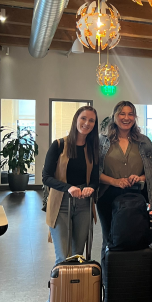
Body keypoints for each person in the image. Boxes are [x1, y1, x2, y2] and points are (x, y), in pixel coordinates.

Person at [97, 101, 152, 264]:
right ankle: (109, 281)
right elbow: (93, 172)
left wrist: (140, 178)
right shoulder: (101, 141)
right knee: (110, 240)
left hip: (137, 196)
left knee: (136, 239)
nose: (126, 118)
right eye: (122, 114)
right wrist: (114, 181)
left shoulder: (144, 142)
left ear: (135, 117)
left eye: (130, 114)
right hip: (107, 196)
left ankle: (134, 280)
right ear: (114, 116)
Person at [43, 105, 100, 265]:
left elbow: (95, 180)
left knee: (77, 257)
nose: (87, 123)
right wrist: (68, 187)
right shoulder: (59, 145)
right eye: (83, 118)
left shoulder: (92, 150)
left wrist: (91, 187)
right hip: (60, 204)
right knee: (63, 258)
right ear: (76, 119)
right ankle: (58, 290)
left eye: (91, 121)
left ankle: (75, 290)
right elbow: (46, 177)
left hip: (84, 205)